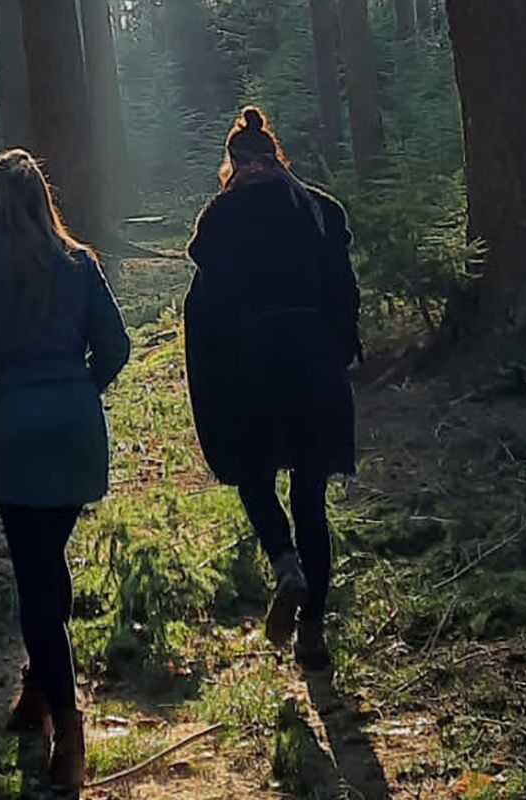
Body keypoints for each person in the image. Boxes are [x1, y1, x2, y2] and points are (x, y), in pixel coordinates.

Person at [0, 150, 131, 793]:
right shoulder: (80, 263)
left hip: (18, 433)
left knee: (36, 582)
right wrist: (79, 389)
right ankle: (35, 694)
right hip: (76, 429)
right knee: (48, 563)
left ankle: (69, 729)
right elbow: (117, 346)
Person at [184, 107, 360, 672]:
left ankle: (285, 565)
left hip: (249, 370)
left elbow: (204, 308)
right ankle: (313, 632)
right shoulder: (318, 212)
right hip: (313, 367)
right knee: (311, 494)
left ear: (232, 164)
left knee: (253, 476)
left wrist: (209, 378)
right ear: (275, 156)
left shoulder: (220, 219)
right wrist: (336, 352)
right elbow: (345, 293)